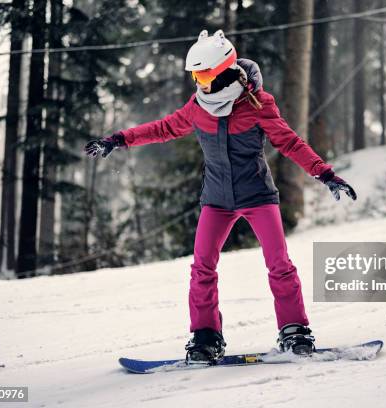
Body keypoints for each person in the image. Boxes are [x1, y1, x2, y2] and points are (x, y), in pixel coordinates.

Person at [84, 30, 357, 364]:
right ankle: (206, 336)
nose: (198, 82)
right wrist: (117, 139)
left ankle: (294, 330)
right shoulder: (198, 107)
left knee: (279, 265)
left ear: (224, 71)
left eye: (203, 75)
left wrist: (325, 173)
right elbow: (162, 128)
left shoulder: (258, 104)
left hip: (258, 196)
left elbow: (290, 143)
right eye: (195, 76)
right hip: (216, 200)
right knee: (202, 268)